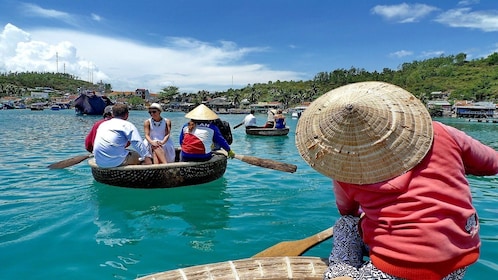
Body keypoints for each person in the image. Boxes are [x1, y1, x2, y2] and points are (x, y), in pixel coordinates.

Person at [295, 81, 498, 280]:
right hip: (459, 259)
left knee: (346, 223)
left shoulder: (345, 166)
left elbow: (347, 211)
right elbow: (492, 164)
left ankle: (342, 272)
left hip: (394, 269)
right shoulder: (444, 133)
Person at [93, 103, 152, 167]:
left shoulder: (103, 125)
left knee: (128, 152)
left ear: (112, 114)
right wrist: (147, 158)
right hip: (116, 162)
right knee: (139, 156)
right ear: (127, 115)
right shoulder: (127, 125)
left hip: (99, 161)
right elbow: (137, 142)